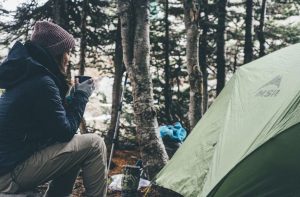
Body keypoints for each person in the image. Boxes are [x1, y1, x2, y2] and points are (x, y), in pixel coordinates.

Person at [0, 21, 107, 197]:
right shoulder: (42, 82)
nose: (68, 58)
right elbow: (64, 132)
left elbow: (55, 129)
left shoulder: (28, 76)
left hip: (8, 166)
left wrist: (71, 99)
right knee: (94, 144)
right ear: (55, 53)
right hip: (8, 174)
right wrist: (81, 97)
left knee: (75, 148)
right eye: (66, 52)